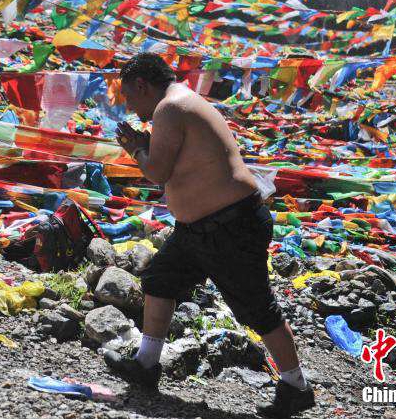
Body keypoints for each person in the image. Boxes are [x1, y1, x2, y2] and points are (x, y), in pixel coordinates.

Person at [105, 53, 314, 418]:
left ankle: (297, 387)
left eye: (129, 95)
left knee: (256, 307)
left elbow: (157, 171)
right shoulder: (179, 103)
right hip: (200, 227)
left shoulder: (170, 108)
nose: (129, 104)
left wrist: (137, 148)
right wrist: (144, 143)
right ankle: (146, 364)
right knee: (160, 279)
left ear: (142, 85)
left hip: (229, 224)